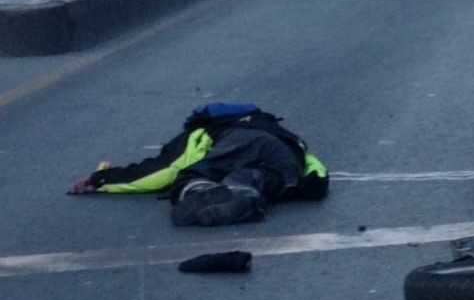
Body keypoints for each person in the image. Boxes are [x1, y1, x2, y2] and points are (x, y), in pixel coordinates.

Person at [67, 103, 328, 227]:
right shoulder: (278, 130)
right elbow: (313, 166)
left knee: (191, 174)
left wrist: (102, 179)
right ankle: (249, 187)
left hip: (238, 145)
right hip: (287, 158)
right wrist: (311, 185)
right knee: (268, 178)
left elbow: (160, 172)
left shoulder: (204, 131)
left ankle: (199, 190)